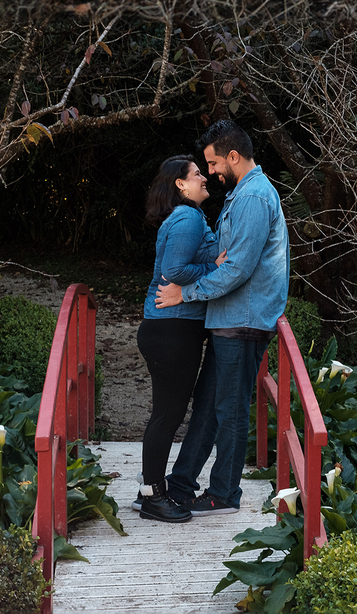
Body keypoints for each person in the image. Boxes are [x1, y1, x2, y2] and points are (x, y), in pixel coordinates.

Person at [155, 120, 289, 516]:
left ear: (233, 156)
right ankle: (181, 484)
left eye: (213, 163)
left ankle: (225, 493)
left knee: (228, 409)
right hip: (228, 319)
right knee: (209, 404)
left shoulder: (254, 197)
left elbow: (238, 269)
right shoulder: (242, 194)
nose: (211, 172)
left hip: (243, 321)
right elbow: (224, 261)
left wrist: (186, 292)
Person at [134, 155, 225, 523]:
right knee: (167, 416)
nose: (204, 178)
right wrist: (214, 266)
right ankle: (153, 498)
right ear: (180, 184)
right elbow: (174, 270)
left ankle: (149, 490)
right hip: (172, 330)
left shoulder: (188, 216)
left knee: (165, 414)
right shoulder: (187, 217)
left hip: (169, 329)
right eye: (197, 174)